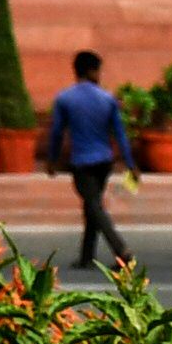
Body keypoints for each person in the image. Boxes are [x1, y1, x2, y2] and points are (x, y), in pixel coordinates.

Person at [44, 49, 134, 274]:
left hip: (82, 161)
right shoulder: (107, 99)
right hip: (104, 160)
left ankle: (120, 249)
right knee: (92, 205)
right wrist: (131, 163)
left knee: (93, 205)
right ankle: (86, 256)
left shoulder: (65, 98)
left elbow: (57, 132)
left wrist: (52, 159)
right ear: (93, 71)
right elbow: (120, 134)